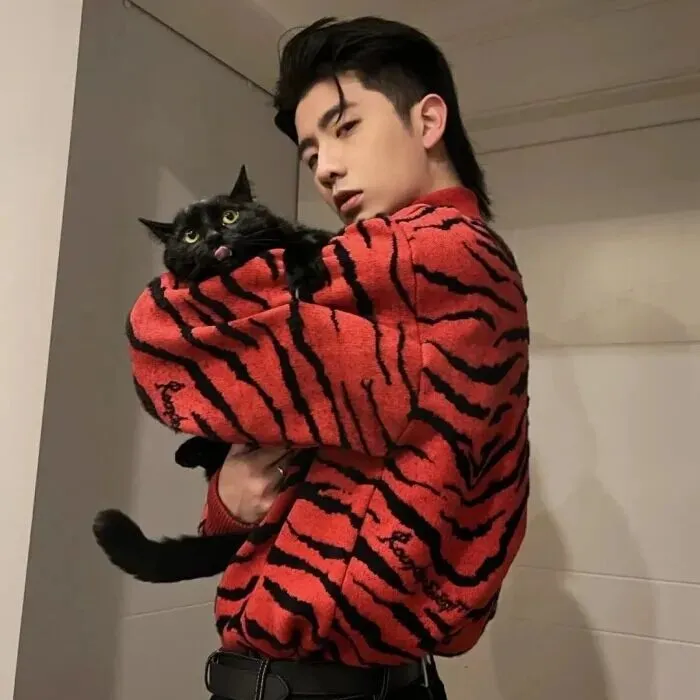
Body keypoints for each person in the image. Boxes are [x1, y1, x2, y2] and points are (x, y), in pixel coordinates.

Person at [134, 15, 529, 700]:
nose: (326, 167)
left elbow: (164, 333)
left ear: (428, 120)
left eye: (345, 128)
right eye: (311, 151)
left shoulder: (433, 254)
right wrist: (232, 502)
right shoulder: (418, 273)